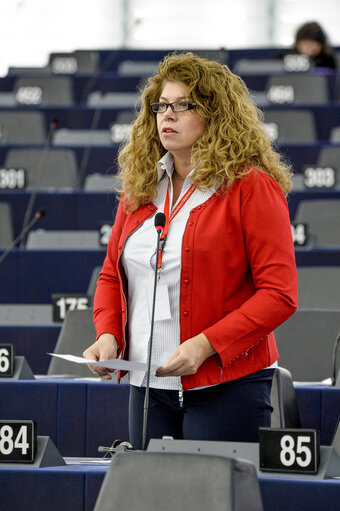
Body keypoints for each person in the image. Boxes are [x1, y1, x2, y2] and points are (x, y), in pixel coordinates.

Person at [83, 52, 298, 450]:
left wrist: (206, 344)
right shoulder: (142, 187)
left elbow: (279, 294)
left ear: (216, 115)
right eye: (162, 105)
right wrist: (108, 333)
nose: (168, 114)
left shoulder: (251, 186)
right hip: (148, 385)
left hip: (226, 383)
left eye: (184, 105)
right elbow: (113, 275)